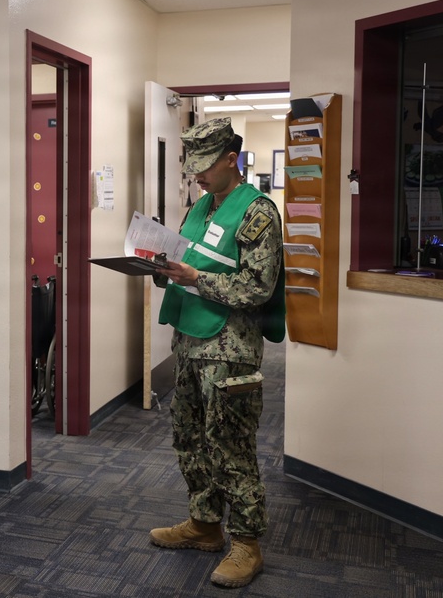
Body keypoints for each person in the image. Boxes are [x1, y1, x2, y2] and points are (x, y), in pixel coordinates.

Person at [149, 117, 285, 589]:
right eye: (193, 166)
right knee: (189, 439)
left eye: (206, 165)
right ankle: (205, 524)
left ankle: (247, 543)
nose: (198, 175)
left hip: (230, 350)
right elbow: (194, 259)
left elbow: (258, 287)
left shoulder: (258, 213)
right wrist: (160, 267)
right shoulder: (201, 207)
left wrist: (194, 278)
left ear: (233, 158)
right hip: (189, 341)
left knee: (231, 445)